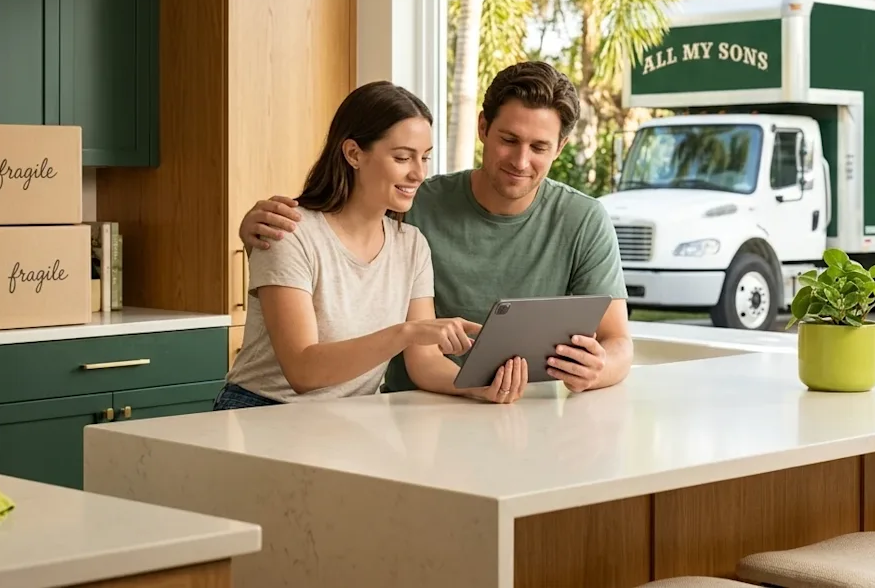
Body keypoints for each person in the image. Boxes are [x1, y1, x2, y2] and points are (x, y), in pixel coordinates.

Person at [237, 61, 632, 398]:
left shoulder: (410, 239)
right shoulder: (412, 204)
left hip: (393, 413)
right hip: (301, 414)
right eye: (508, 139)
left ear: (559, 148)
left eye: (539, 147)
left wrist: (595, 369)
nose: (521, 160)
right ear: (482, 128)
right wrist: (250, 230)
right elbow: (329, 222)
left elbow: (617, 341)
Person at [213, 80, 530, 411]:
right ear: (353, 154)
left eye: (425, 158)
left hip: (350, 414)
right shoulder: (289, 232)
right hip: (262, 411)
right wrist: (407, 332)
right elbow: (303, 371)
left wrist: (476, 386)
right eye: (403, 157)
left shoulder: (411, 245)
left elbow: (423, 361)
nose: (418, 173)